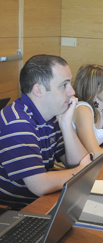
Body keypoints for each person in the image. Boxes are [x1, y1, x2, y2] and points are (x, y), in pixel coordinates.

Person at [0, 54, 92, 210]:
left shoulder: (50, 116)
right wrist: (79, 171)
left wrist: (65, 124)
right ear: (38, 90)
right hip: (14, 211)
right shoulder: (17, 123)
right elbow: (40, 184)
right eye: (64, 85)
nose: (72, 91)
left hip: (41, 201)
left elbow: (79, 161)